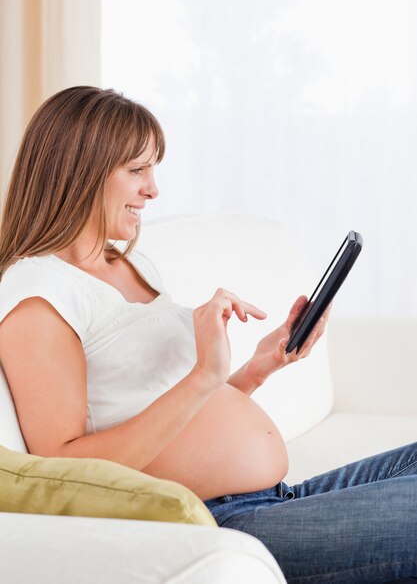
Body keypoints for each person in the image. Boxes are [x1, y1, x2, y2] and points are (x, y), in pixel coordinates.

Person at [0, 86, 415, 584]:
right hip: (223, 528)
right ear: (77, 171)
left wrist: (259, 368)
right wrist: (203, 375)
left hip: (276, 498)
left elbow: (177, 424)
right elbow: (65, 470)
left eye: (153, 170)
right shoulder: (39, 294)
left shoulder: (129, 262)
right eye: (137, 171)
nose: (152, 190)